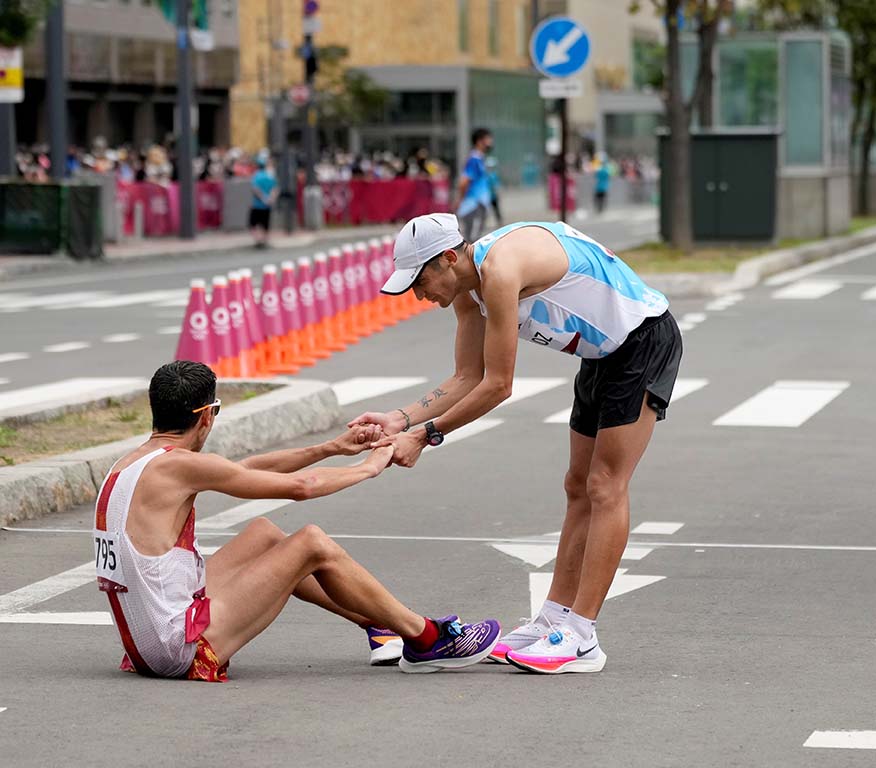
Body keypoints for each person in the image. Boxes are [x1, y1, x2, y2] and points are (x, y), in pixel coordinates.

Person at [361, 214, 682, 674]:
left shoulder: (500, 271)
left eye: (421, 280)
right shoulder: (466, 289)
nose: (418, 294)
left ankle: (583, 636)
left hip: (642, 342)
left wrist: (426, 436)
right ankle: (554, 616)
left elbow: (497, 385)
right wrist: (400, 417)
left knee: (606, 485)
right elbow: (466, 376)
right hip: (600, 358)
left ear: (449, 258)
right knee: (577, 486)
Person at [93, 360, 500, 682]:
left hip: (147, 641)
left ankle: (379, 623)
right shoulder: (178, 467)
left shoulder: (136, 462)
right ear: (207, 416)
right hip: (178, 649)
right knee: (310, 542)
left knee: (265, 533)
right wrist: (370, 467)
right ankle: (426, 639)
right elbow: (301, 488)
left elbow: (246, 468)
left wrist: (330, 448)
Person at [453, 128, 493, 242]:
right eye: (488, 139)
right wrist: (459, 200)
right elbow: (464, 181)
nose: (491, 142)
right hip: (473, 205)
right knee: (472, 239)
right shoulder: (474, 160)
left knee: (475, 236)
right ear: (479, 141)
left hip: (479, 204)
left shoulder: (480, 158)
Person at [249, 156, 278, 249]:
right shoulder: (269, 176)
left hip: (257, 205)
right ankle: (265, 240)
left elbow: (255, 189)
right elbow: (275, 189)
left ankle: (258, 241)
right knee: (265, 224)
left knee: (254, 223)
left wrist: (263, 198)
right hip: (267, 206)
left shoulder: (256, 176)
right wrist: (271, 199)